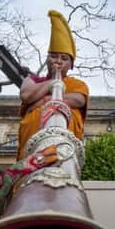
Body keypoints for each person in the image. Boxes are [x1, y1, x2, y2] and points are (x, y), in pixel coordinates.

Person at [17, 10, 89, 160]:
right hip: (31, 140)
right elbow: (26, 95)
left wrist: (42, 101)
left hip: (64, 145)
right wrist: (52, 83)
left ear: (71, 65)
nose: (58, 61)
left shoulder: (77, 84)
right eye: (54, 56)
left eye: (64, 58)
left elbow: (78, 100)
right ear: (47, 60)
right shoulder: (33, 79)